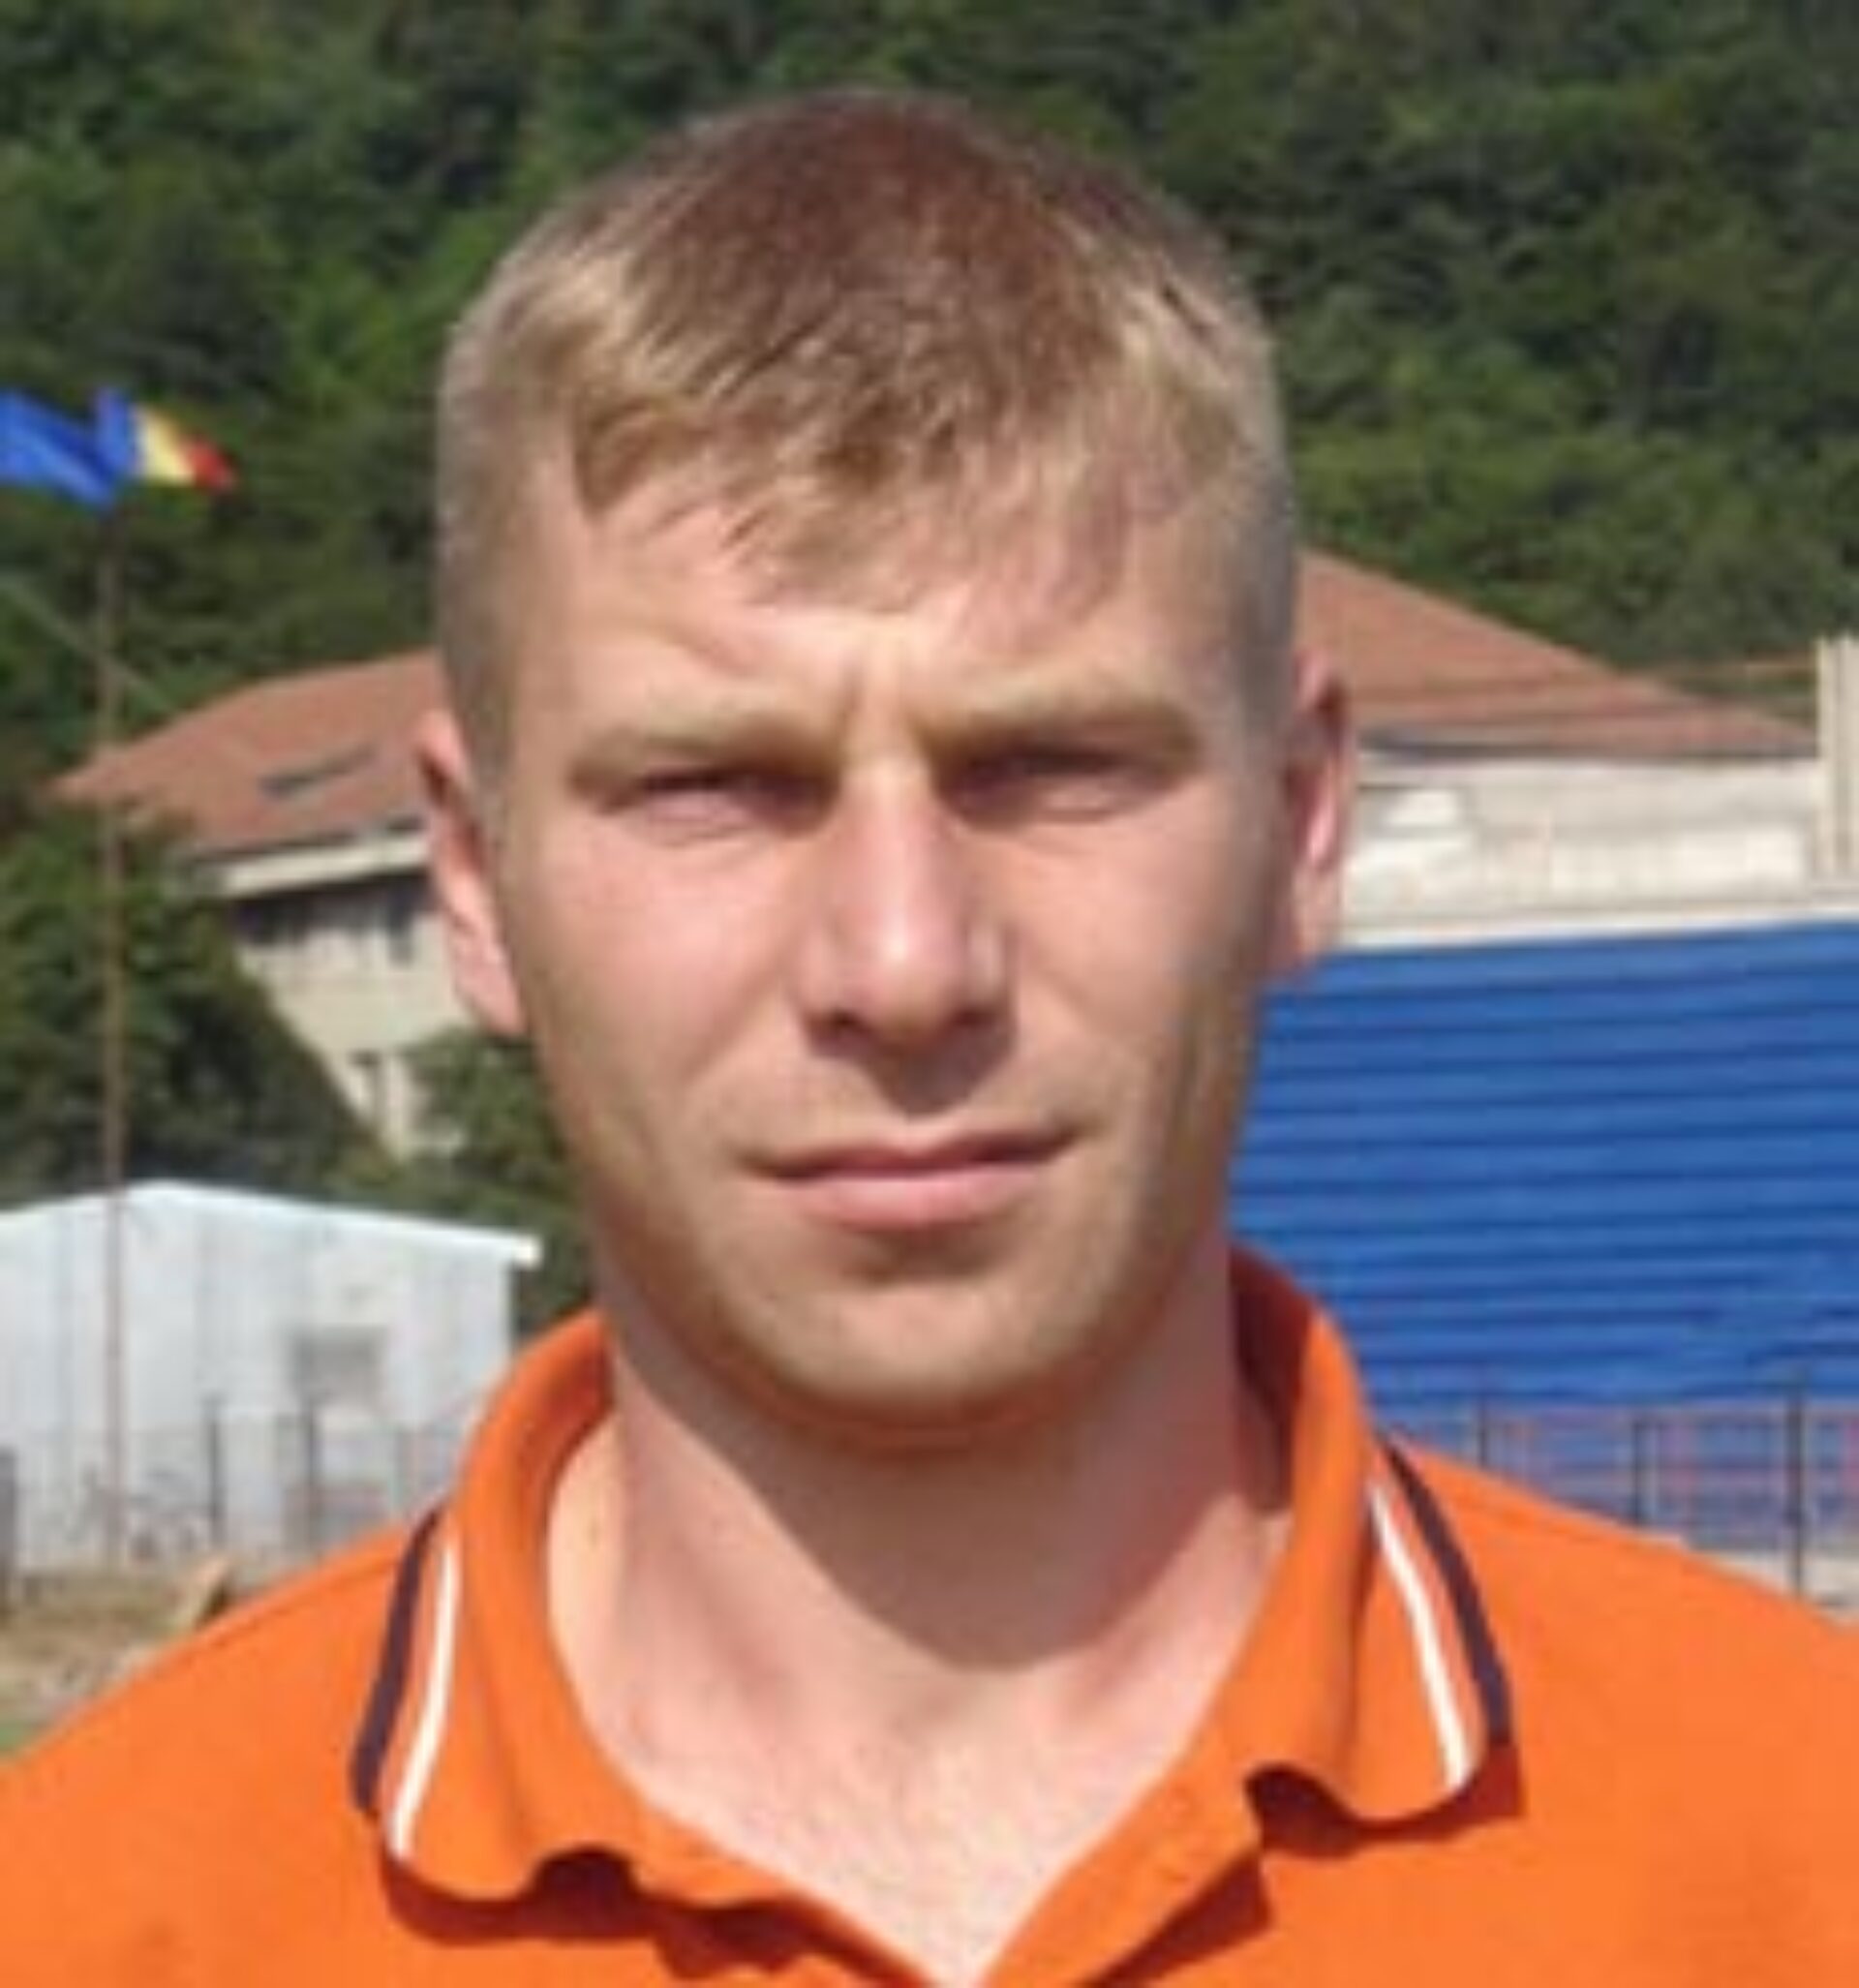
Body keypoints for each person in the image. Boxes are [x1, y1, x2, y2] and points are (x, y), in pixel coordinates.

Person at [3, 88, 1855, 1987]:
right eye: (717, 786)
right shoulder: (87, 1917)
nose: (902, 962)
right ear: (475, 880)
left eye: (1051, 765)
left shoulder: (1804, 1846)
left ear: (1303, 821)